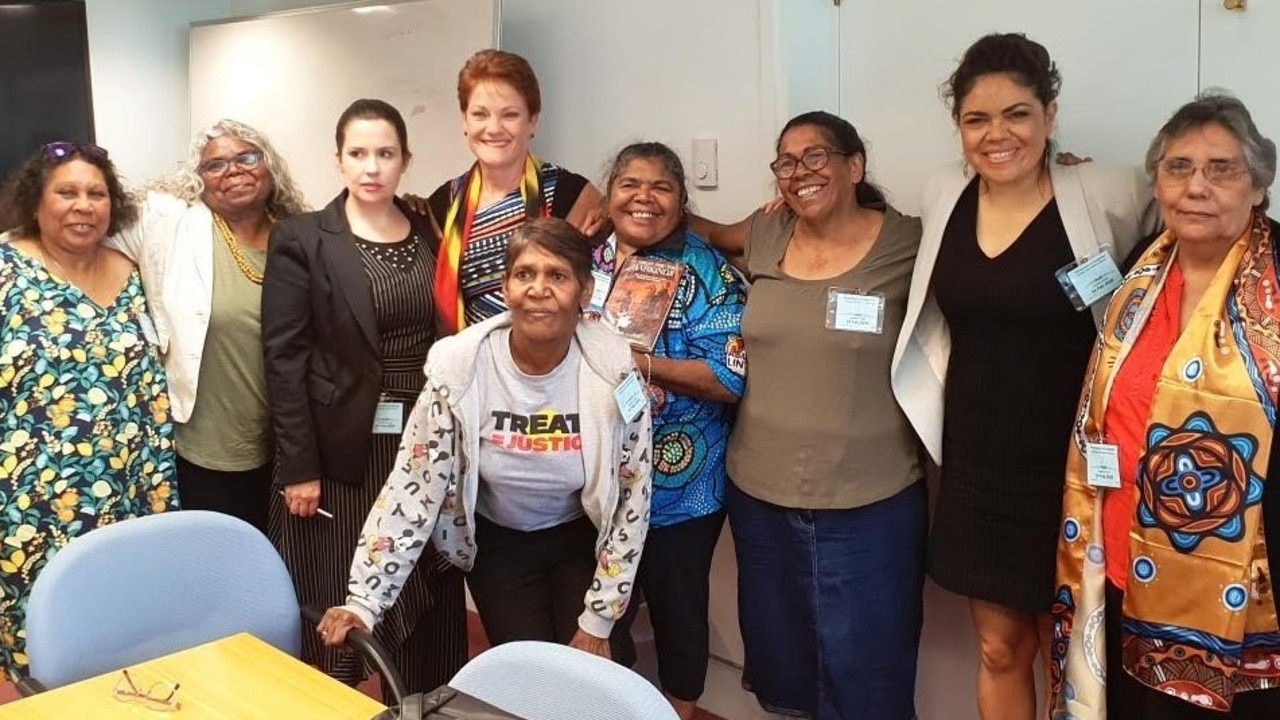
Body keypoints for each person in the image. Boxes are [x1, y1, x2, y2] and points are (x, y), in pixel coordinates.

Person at [889, 33, 1159, 720]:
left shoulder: (1107, 188)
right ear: (958, 127)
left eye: (1017, 114)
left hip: (1076, 466)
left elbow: (1186, 246)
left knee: (1071, 652)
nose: (997, 134)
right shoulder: (944, 190)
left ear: (1050, 114)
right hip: (979, 462)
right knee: (1000, 647)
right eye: (977, 119)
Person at [315, 218, 653, 665]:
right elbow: (412, 486)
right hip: (500, 543)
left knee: (595, 672)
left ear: (585, 292)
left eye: (557, 276)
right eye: (524, 274)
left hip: (582, 536)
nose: (538, 289)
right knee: (527, 674)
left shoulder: (613, 371)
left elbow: (634, 494)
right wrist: (364, 600)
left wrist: (599, 618)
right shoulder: (458, 371)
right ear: (505, 287)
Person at [1052, 93, 1280, 720]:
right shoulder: (1140, 272)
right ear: (1158, 181)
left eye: (1221, 168)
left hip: (1242, 586)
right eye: (1178, 168)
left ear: (1258, 186)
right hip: (1124, 560)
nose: (1196, 186)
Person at [694, 111, 927, 720]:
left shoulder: (913, 241)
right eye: (787, 162)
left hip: (871, 501)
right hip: (759, 495)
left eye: (816, 156)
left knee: (868, 670)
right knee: (785, 663)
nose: (800, 173)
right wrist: (605, 205)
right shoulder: (767, 234)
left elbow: (1000, 237)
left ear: (855, 165)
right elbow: (688, 227)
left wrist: (1060, 177)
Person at [261, 99, 466, 694]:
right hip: (339, 451)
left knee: (425, 580)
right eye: (358, 153)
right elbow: (285, 357)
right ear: (338, 160)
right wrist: (299, 467)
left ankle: (429, 702)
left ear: (406, 161)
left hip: (423, 438)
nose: (371, 167)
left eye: (385, 154)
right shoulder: (304, 237)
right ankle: (334, 703)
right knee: (340, 597)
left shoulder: (431, 226)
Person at [0, 142, 178, 679]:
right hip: (33, 498)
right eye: (67, 192)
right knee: (46, 642)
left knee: (126, 630)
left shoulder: (132, 272)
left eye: (96, 194)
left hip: (134, 490)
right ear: (36, 202)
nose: (84, 205)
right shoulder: (7, 271)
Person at [594, 142, 745, 719]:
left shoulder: (706, 270)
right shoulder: (586, 261)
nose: (644, 197)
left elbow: (730, 377)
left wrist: (640, 364)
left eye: (661, 187)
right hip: (593, 483)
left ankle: (678, 710)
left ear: (682, 202)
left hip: (681, 486)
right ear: (609, 195)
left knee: (680, 611)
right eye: (630, 184)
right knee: (601, 613)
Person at [108, 119, 308, 533]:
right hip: (202, 448)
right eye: (215, 165)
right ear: (199, 180)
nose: (233, 171)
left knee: (273, 562)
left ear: (270, 166)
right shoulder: (171, 223)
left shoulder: (300, 235)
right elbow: (90, 221)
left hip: (284, 448)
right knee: (209, 558)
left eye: (247, 158)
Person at [421, 49, 604, 332]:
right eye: (480, 114)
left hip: (551, 366)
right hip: (470, 367)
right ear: (464, 121)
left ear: (532, 121)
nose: (494, 128)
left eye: (510, 115)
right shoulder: (442, 205)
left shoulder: (572, 194)